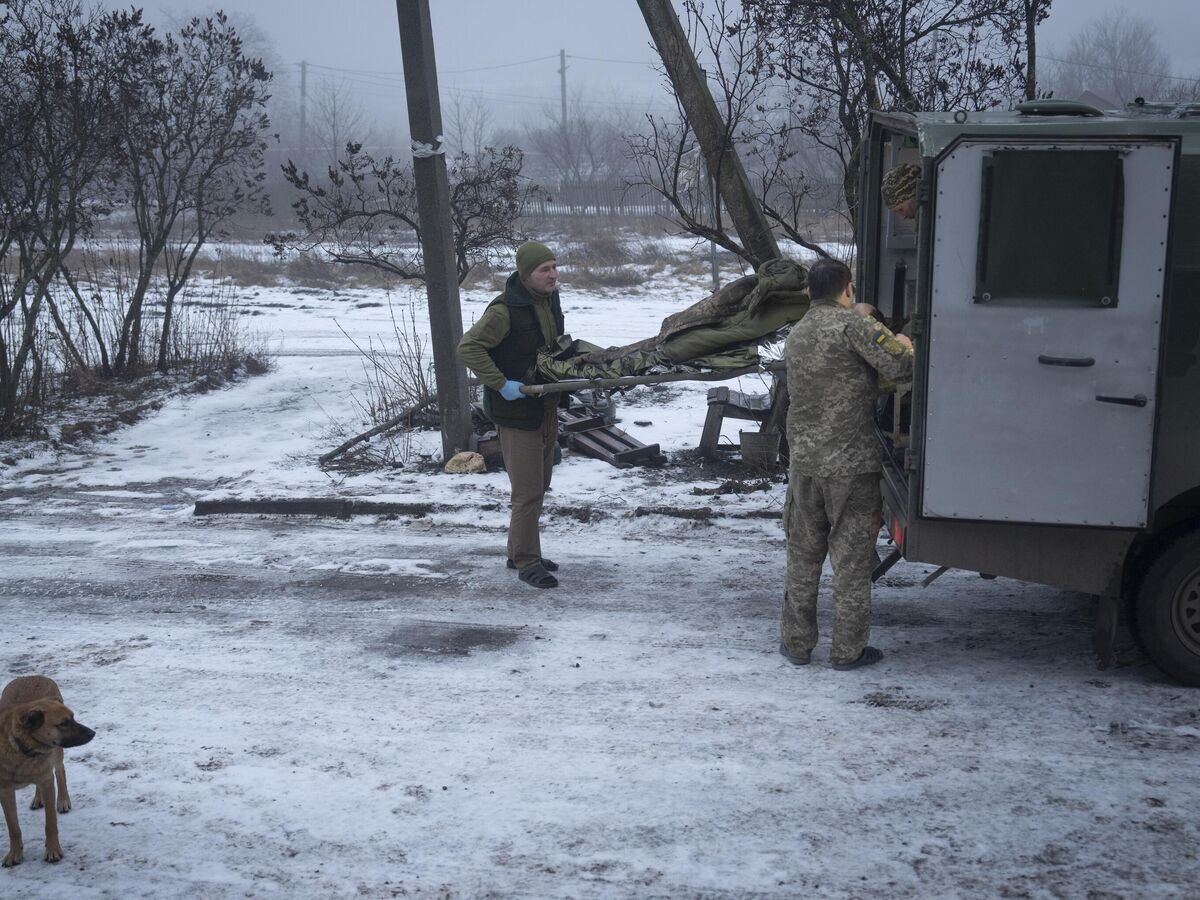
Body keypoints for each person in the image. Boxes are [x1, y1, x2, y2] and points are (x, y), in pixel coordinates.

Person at [779, 258, 914, 670]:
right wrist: (906, 339)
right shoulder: (853, 325)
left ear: (809, 292)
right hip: (851, 466)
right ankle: (847, 651)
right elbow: (902, 365)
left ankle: (796, 644)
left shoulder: (797, 333)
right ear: (848, 290)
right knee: (851, 562)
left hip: (804, 463)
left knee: (803, 556)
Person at [458, 241, 564, 589]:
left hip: (544, 405)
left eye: (553, 267)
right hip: (516, 412)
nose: (552, 275)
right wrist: (501, 383)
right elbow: (468, 347)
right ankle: (527, 561)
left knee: (540, 485)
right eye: (543, 270)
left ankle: (518, 549)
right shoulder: (504, 311)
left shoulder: (548, 301)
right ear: (525, 274)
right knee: (527, 491)